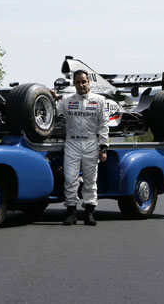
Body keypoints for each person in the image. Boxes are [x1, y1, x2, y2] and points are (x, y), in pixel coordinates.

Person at [52, 70, 109, 226]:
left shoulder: (99, 101)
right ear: (74, 83)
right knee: (70, 179)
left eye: (83, 81)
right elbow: (53, 110)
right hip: (72, 143)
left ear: (88, 82)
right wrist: (51, 97)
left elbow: (104, 125)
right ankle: (71, 213)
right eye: (78, 82)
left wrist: (103, 148)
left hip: (91, 143)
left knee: (90, 181)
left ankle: (89, 214)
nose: (81, 85)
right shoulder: (66, 100)